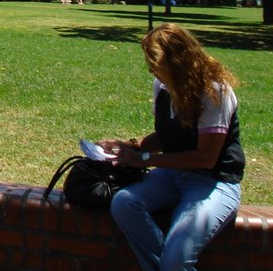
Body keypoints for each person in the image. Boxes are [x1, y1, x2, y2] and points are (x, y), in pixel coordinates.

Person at [98, 23, 244, 271]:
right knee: (124, 203)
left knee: (177, 257)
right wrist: (131, 146)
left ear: (177, 62)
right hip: (174, 174)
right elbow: (167, 135)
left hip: (214, 181)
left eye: (155, 64)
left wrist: (143, 159)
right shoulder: (163, 87)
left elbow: (205, 157)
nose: (151, 70)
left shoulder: (215, 91)